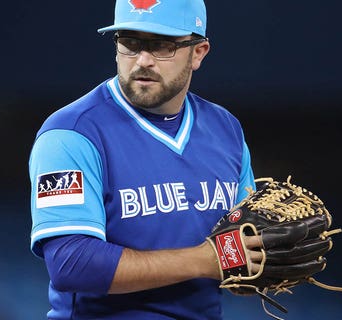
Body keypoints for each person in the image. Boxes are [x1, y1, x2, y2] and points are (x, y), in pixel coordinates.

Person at [28, 0, 261, 318]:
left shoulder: (226, 131)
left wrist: (264, 256)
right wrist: (205, 260)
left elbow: (242, 245)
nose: (143, 60)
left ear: (198, 52)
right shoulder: (71, 133)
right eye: (130, 43)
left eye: (162, 45)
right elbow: (72, 264)